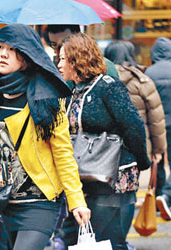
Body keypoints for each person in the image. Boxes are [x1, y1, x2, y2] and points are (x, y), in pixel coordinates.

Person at [0, 24, 90, 250]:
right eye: (0, 47)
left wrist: (77, 201)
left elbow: (63, 154)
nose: (3, 54)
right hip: (4, 200)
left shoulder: (47, 98)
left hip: (40, 203)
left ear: (26, 57)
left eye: (12, 49)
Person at [57, 33, 150, 250]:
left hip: (114, 180)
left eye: (63, 59)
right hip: (84, 179)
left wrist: (141, 161)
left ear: (77, 59)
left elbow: (134, 126)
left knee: (110, 242)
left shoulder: (109, 86)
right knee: (85, 242)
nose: (59, 64)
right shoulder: (71, 91)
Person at [105, 40, 166, 196]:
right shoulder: (141, 81)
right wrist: (158, 149)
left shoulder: (99, 80)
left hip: (104, 146)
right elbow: (156, 119)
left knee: (104, 190)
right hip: (136, 145)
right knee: (128, 190)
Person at [145, 37, 171, 220]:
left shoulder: (149, 73)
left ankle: (159, 195)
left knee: (158, 161)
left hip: (158, 123)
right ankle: (167, 196)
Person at [46, 24, 120, 79]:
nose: (59, 49)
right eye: (54, 44)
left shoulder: (103, 66)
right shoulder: (53, 65)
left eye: (65, 43)